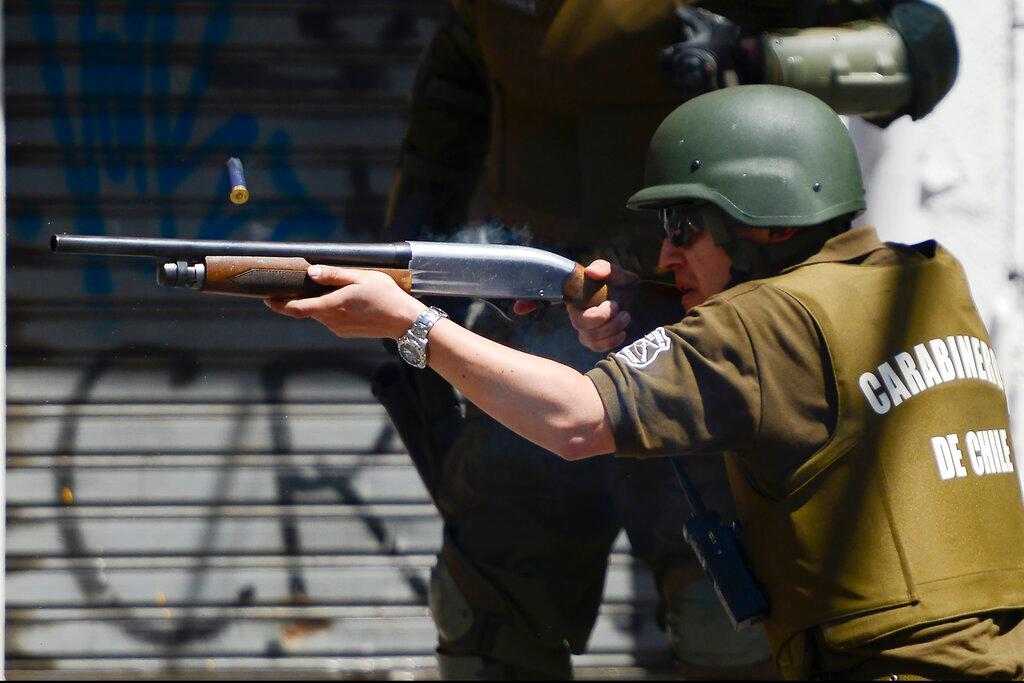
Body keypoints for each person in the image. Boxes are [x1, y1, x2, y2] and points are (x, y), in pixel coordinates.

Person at [267, 84, 1024, 680]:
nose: (666, 256)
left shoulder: (763, 324)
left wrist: (411, 324)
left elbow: (574, 420)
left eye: (685, 227)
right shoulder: (930, 280)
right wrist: (654, 312)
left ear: (767, 222)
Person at [373, 1, 960, 678]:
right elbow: (443, 126)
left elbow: (924, 49)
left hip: (716, 349)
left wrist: (753, 56)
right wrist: (409, 276)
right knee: (485, 621)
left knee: (733, 630)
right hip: (534, 344)